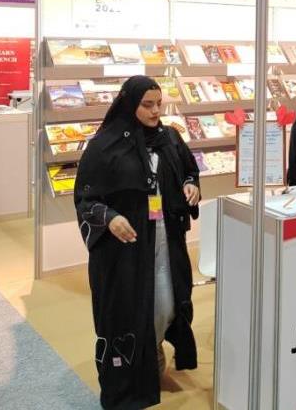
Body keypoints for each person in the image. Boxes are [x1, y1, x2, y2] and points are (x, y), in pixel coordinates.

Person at [74, 75, 201, 409]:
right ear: (130, 104)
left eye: (159, 104)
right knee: (128, 310)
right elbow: (86, 198)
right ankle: (133, 377)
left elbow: (190, 170)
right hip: (124, 250)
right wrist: (109, 217)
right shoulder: (104, 146)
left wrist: (190, 185)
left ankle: (152, 347)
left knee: (168, 303)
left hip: (165, 240)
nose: (155, 111)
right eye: (147, 105)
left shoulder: (170, 138)